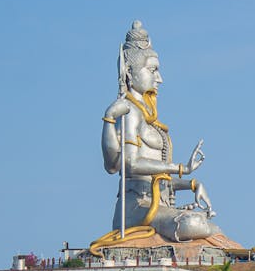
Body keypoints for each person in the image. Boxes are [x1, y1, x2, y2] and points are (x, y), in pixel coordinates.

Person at [91, 20, 225, 254]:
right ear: (129, 73)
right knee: (194, 224)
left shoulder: (146, 115)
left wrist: (192, 184)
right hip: (138, 208)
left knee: (209, 226)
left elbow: (158, 178)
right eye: (152, 70)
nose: (159, 78)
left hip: (157, 203)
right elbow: (127, 165)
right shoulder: (129, 111)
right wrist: (181, 168)